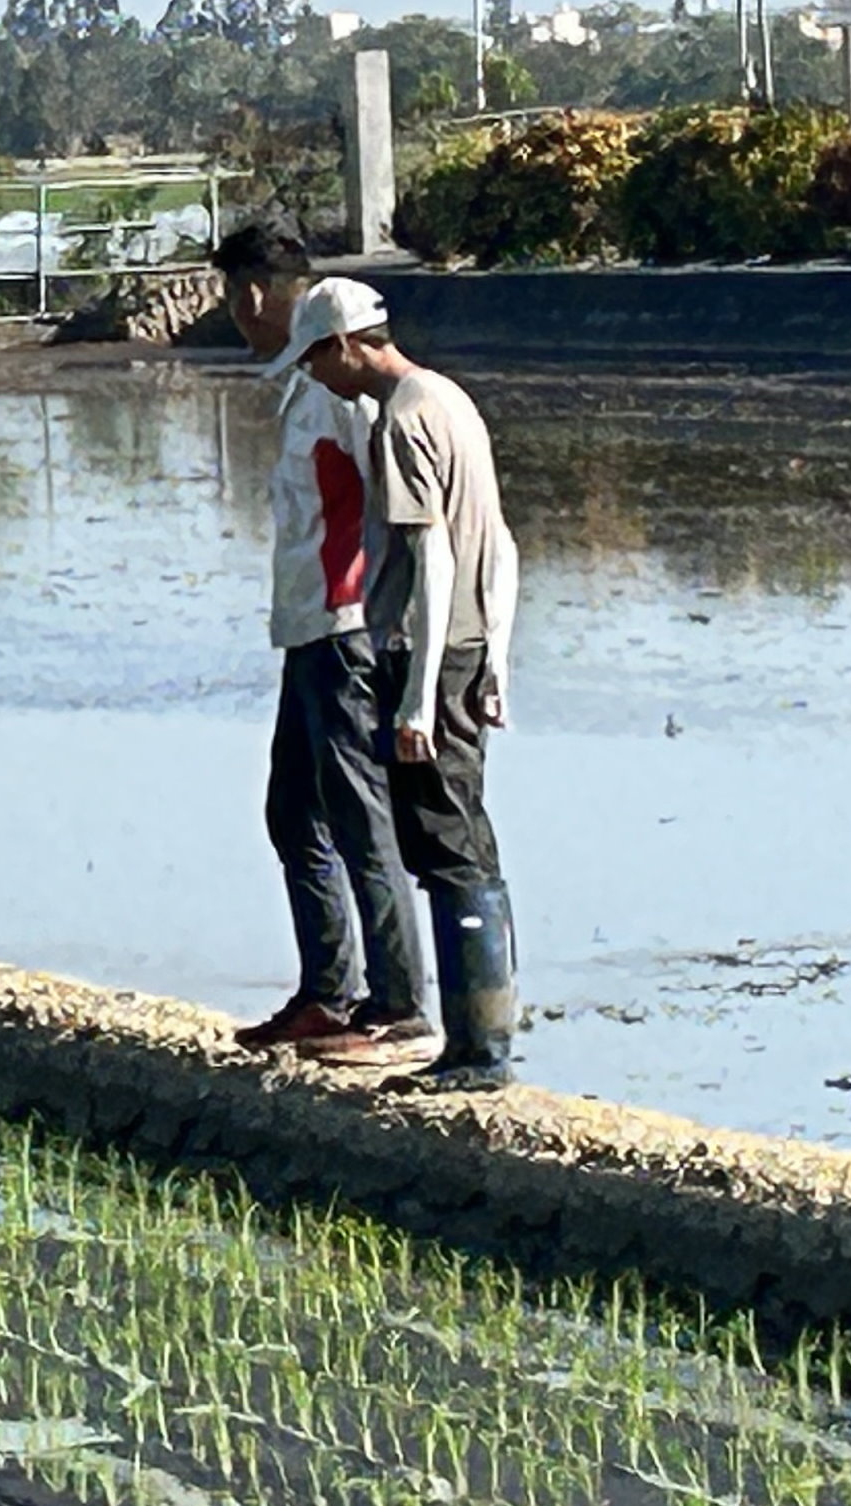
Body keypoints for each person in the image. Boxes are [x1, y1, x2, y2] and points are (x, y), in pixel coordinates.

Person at [269, 277, 519, 1091]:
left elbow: (434, 552)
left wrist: (415, 694)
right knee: (462, 841)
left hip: (428, 654)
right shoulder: (453, 399)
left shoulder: (406, 416)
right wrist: (498, 657)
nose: (316, 378)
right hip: (470, 645)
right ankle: (473, 1043)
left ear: (345, 345)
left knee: (445, 849)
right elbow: (504, 544)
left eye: (317, 360)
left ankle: (475, 1052)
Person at [210, 225, 433, 1062]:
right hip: (309, 631)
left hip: (343, 635)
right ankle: (327, 993)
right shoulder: (308, 381)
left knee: (355, 817)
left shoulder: (340, 387)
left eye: (234, 298)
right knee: (293, 811)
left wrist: (386, 622)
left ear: (252, 296)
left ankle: (399, 1006)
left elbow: (392, 507)